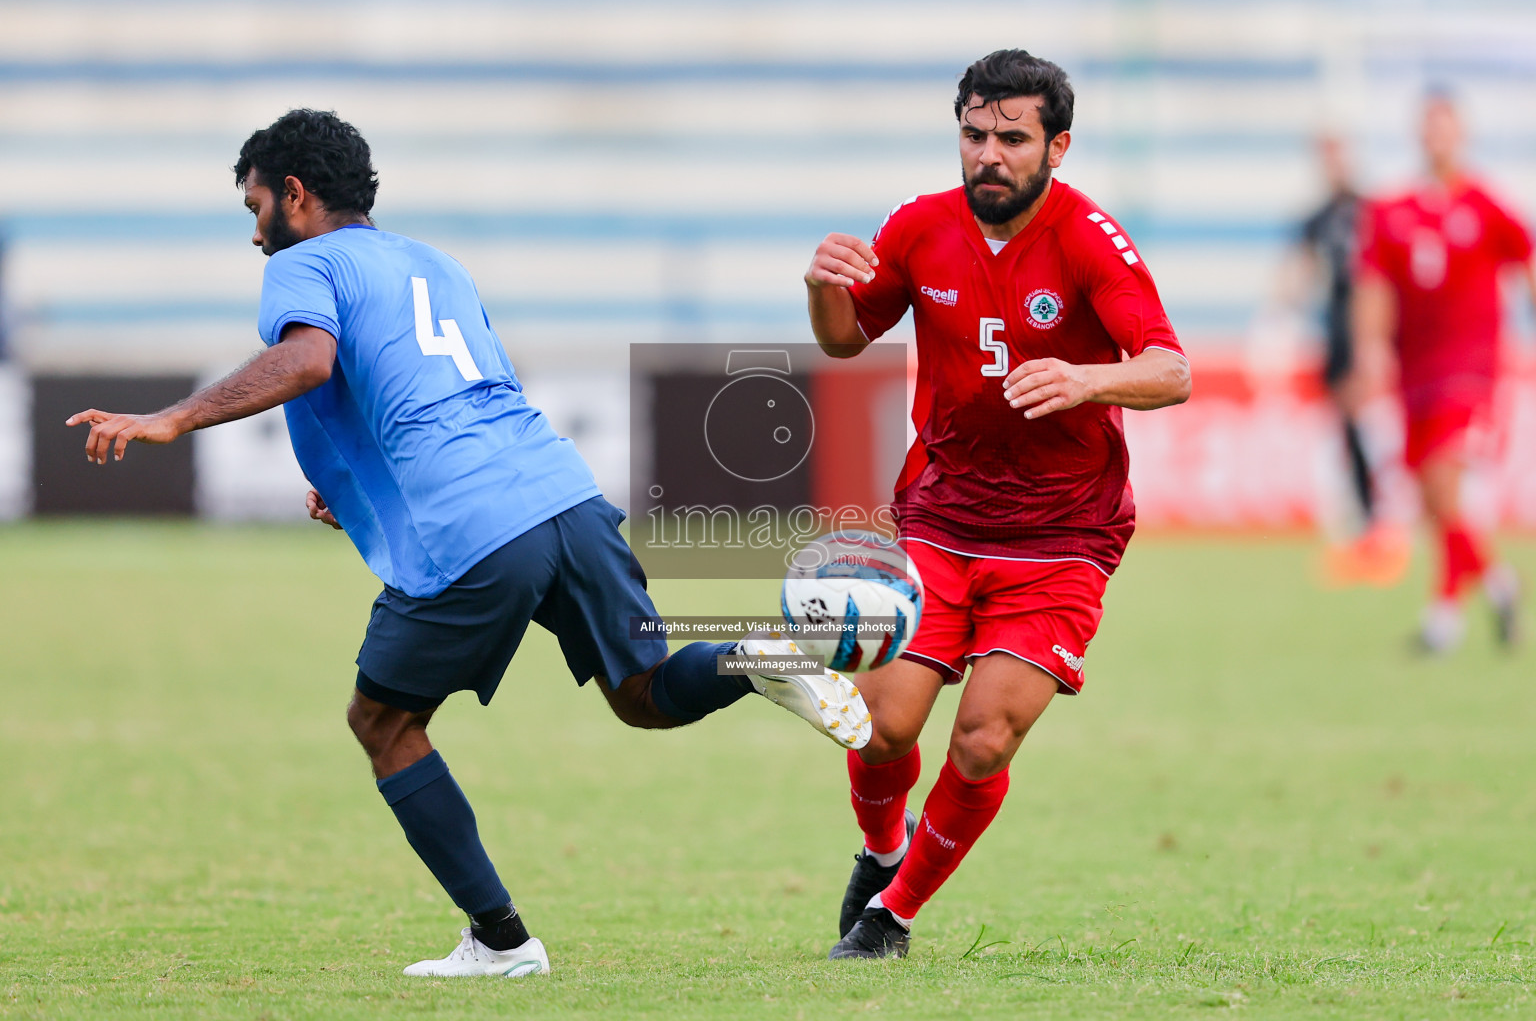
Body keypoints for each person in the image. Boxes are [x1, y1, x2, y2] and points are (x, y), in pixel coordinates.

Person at [66, 109, 871, 978]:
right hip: (564, 494)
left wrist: (172, 417)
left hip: (476, 523)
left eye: (256, 206)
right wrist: (359, 486)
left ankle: (501, 940)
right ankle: (753, 657)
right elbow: (452, 388)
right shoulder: (435, 263)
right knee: (639, 691)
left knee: (382, 720)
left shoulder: (305, 261)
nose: (255, 231)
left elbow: (307, 362)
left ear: (293, 196)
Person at [803, 50, 1190, 959]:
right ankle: (880, 845)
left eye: (1011, 139)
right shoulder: (919, 227)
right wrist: (821, 288)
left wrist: (1088, 379)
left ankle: (890, 916)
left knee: (981, 740)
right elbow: (847, 340)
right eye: (974, 135)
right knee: (882, 723)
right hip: (941, 515)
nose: (988, 155)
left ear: (1056, 146)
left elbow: (1170, 370)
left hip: (1062, 535)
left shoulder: (1091, 237)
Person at [1349, 92, 1530, 652]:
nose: (1437, 137)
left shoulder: (1487, 205)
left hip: (1472, 368)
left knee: (1444, 481)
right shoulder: (1392, 211)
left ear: (1461, 134)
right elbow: (1372, 288)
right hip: (1415, 372)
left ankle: (1442, 621)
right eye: (1428, 127)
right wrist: (1367, 354)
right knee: (1431, 500)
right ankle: (1496, 585)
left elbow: (1526, 265)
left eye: (1445, 127)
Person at [1296, 135, 1408, 586]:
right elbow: (1304, 271)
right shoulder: (1317, 218)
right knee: (1349, 428)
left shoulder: (1372, 211)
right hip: (1338, 332)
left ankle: (1387, 526)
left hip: (1368, 330)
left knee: (1372, 426)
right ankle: (1370, 529)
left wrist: (1380, 338)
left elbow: (1386, 274)